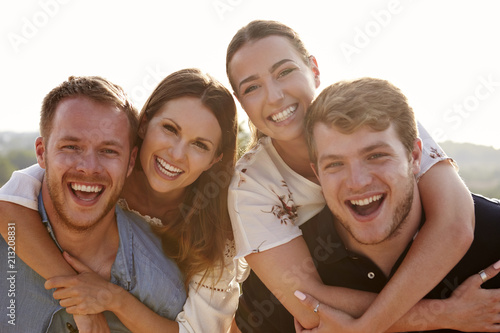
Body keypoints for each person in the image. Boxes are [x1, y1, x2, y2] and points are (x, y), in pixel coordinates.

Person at [226, 20, 476, 332]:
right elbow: (309, 303)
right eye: (252, 87)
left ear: (314, 70)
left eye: (284, 72)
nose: (274, 96)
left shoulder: (377, 113)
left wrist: (365, 328)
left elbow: (454, 225)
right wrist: (446, 314)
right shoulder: (251, 186)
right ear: (242, 104)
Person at [0, 69, 240, 332]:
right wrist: (78, 299)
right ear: (145, 123)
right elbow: (11, 203)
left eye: (200, 145)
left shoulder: (218, 228)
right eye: (170, 129)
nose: (176, 154)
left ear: (215, 158)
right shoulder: (108, 165)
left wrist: (112, 298)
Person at [293, 77, 500, 332]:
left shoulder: (494, 239)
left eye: (376, 156)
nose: (357, 182)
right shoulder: (293, 265)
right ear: (317, 174)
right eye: (335, 164)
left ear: (414, 157)